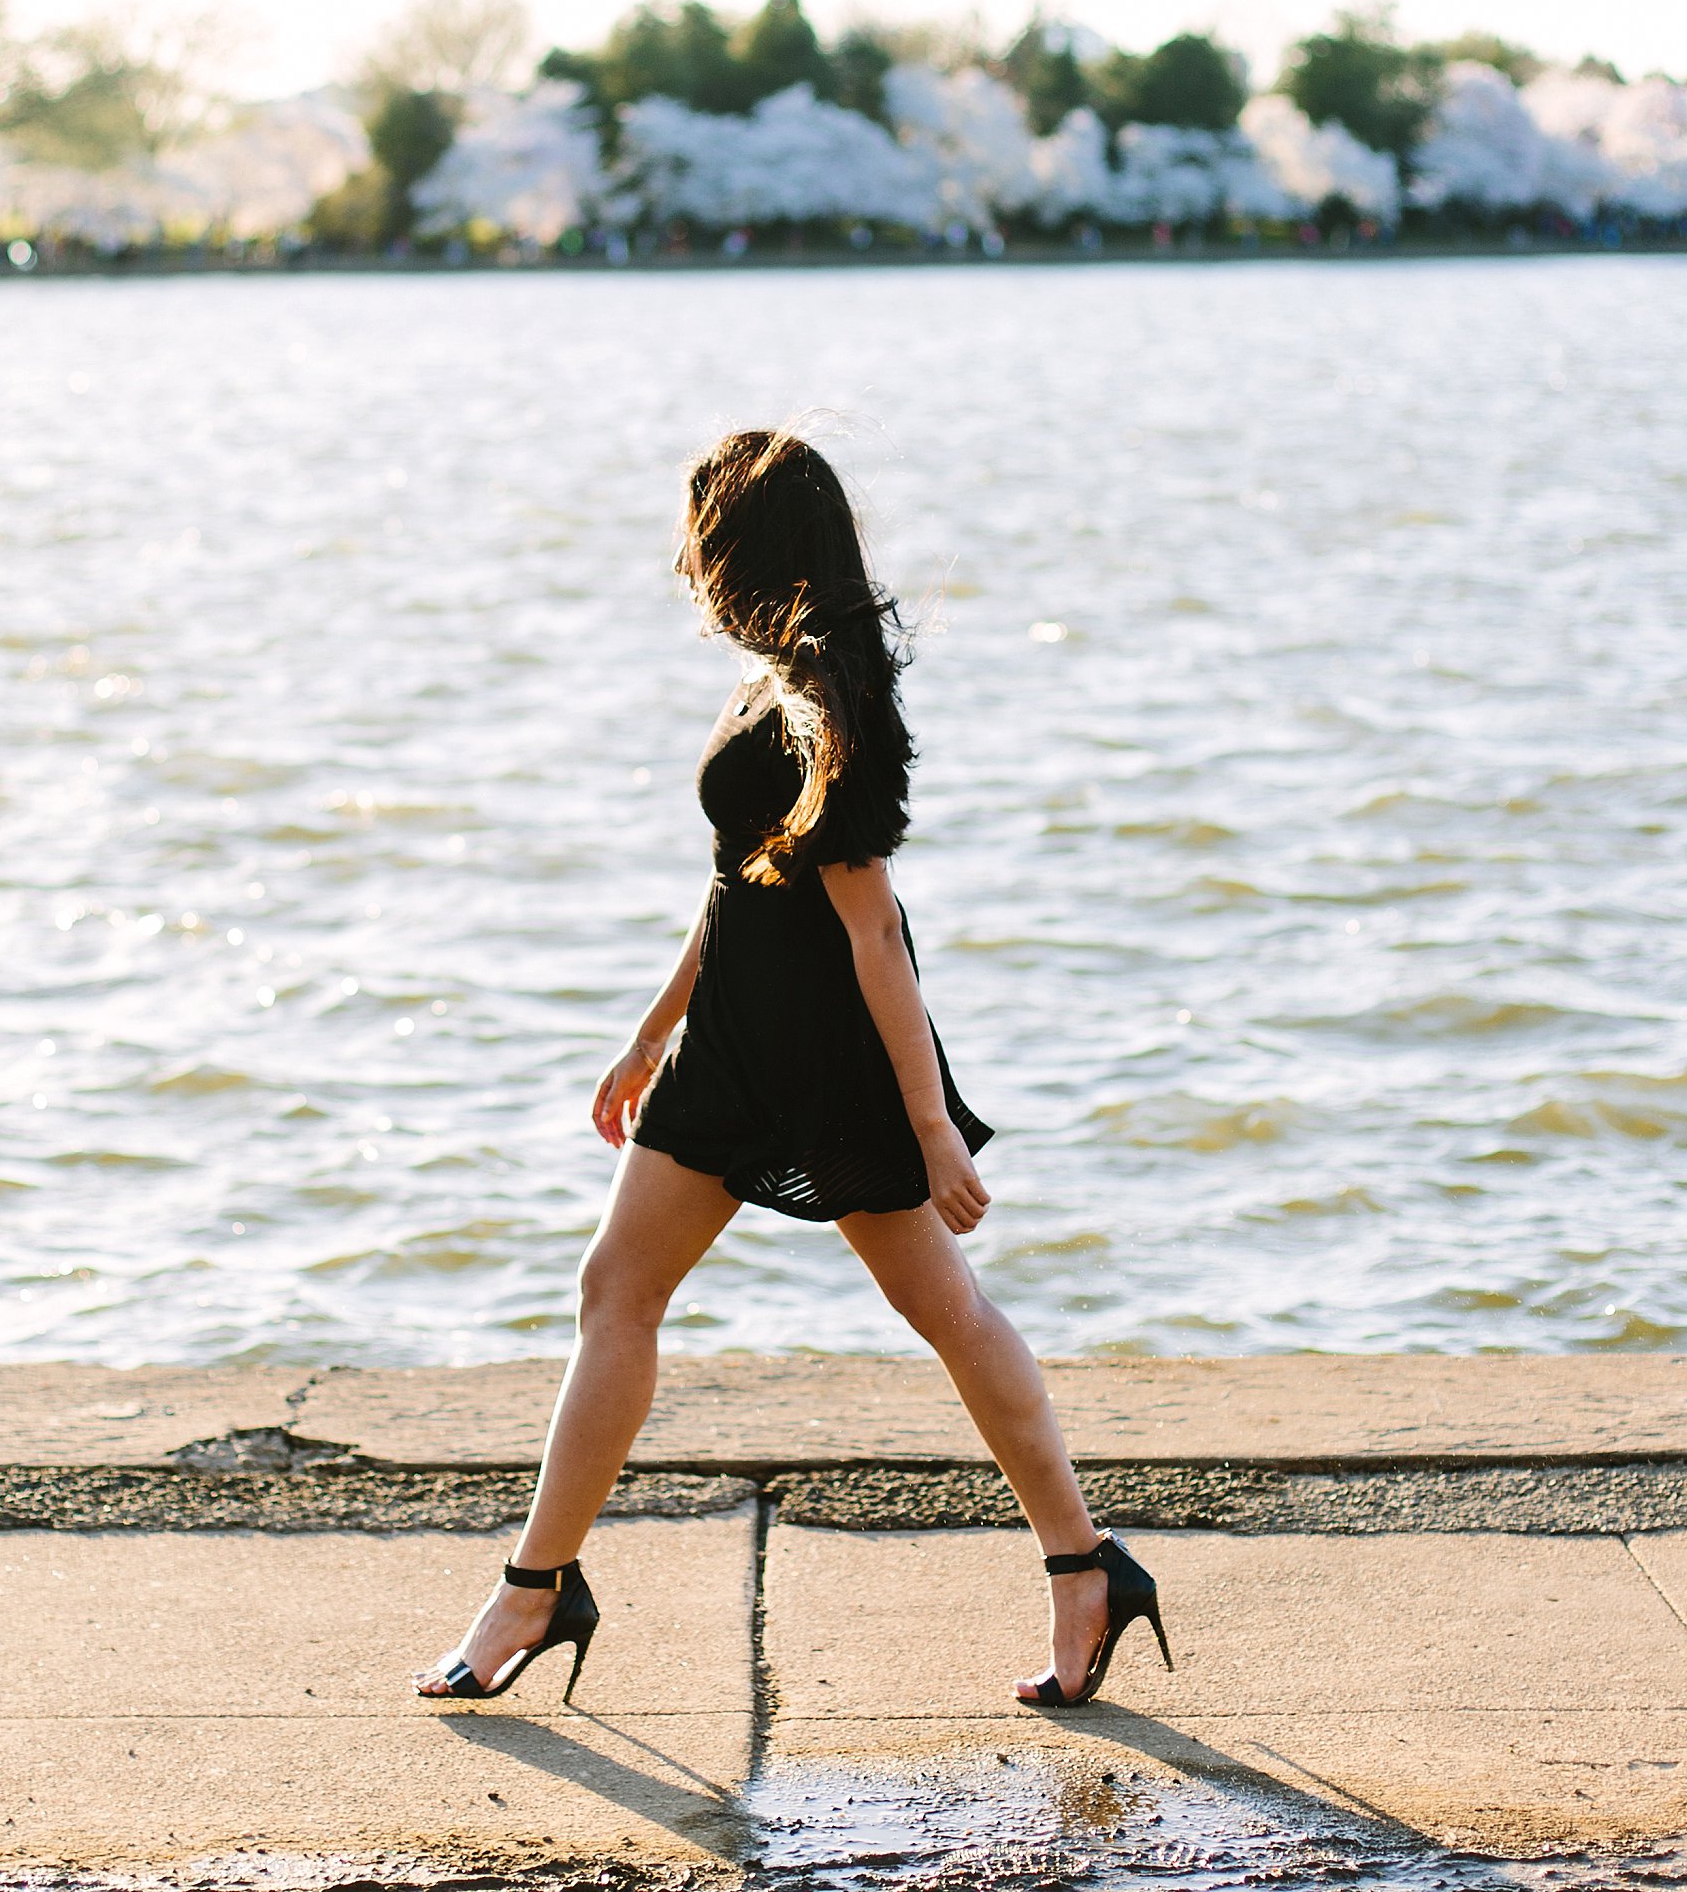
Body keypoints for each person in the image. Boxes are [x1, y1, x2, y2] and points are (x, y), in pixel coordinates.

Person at [414, 428, 1169, 1711]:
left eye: (700, 542)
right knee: (616, 1284)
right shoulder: (769, 684)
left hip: (831, 1058)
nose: (683, 567)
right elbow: (732, 893)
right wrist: (651, 1030)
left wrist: (927, 1127)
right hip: (730, 1042)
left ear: (749, 553)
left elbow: (871, 933)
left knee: (945, 1310)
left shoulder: (835, 705)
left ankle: (1083, 1566)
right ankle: (537, 1586)